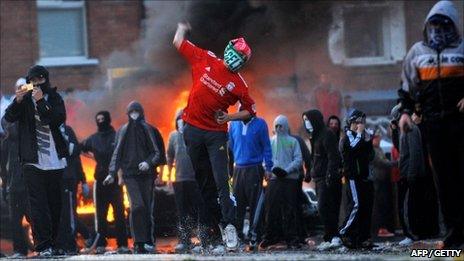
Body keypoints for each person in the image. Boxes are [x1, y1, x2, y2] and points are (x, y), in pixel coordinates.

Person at [173, 22, 257, 251]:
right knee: (204, 184)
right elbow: (178, 42)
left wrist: (229, 118)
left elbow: (250, 110)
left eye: (241, 58)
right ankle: (215, 231)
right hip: (191, 130)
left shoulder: (239, 84)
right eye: (235, 55)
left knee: (222, 180)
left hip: (215, 135)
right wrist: (182, 26)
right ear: (228, 50)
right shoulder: (206, 59)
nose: (235, 61)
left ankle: (230, 226)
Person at [397, 0, 463, 248]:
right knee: (444, 182)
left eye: (443, 24)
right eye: (434, 25)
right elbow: (407, 88)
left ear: (453, 25)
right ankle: (455, 238)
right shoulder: (417, 53)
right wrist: (404, 113)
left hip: (460, 123)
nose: (438, 29)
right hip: (433, 126)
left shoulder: (462, 48)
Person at [3, 65, 68, 257]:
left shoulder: (55, 98)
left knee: (55, 205)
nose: (37, 83)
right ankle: (43, 246)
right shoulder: (24, 102)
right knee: (37, 206)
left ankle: (54, 242)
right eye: (33, 80)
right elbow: (8, 117)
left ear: (46, 79)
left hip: (55, 161)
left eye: (40, 79)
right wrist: (18, 100)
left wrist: (41, 102)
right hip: (32, 161)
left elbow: (55, 119)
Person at [105, 101, 162, 254]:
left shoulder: (149, 129)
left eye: (137, 111)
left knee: (147, 209)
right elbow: (117, 153)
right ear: (128, 114)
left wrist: (148, 163)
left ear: (141, 112)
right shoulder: (122, 131)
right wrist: (112, 173)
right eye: (132, 112)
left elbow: (157, 153)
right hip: (130, 176)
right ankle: (139, 242)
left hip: (147, 175)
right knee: (137, 206)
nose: (134, 114)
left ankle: (148, 241)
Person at [80, 111, 129, 254]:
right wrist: (94, 158)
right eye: (98, 119)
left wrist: (120, 176)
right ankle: (101, 244)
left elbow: (122, 155)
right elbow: (81, 148)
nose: (101, 121)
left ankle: (122, 244)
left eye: (103, 119)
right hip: (100, 180)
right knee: (100, 214)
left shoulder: (116, 136)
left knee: (119, 213)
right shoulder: (94, 139)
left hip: (115, 180)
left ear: (108, 119)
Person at [228, 106, 273, 250]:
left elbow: (266, 146)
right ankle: (238, 237)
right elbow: (230, 146)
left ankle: (254, 237)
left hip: (254, 168)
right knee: (237, 204)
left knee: (255, 204)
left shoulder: (260, 124)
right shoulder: (233, 124)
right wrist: (229, 168)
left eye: (243, 110)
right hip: (238, 168)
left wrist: (268, 168)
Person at [259, 115, 302, 250]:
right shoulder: (270, 142)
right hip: (274, 180)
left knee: (290, 210)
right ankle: (270, 237)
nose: (278, 128)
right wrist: (272, 170)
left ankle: (292, 239)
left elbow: (298, 159)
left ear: (286, 126)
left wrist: (286, 171)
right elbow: (265, 159)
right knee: (271, 210)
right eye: (276, 126)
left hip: (289, 180)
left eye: (281, 125)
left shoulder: (293, 142)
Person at [302, 110, 342, 250]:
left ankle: (335, 237)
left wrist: (330, 175)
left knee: (327, 208)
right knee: (323, 209)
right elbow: (314, 157)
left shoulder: (327, 134)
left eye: (308, 119)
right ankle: (329, 237)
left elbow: (333, 156)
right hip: (319, 178)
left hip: (327, 178)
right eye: (304, 120)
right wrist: (308, 173)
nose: (306, 122)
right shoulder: (315, 136)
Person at [0, 78, 32, 258]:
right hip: (14, 185)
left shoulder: (30, 112)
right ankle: (19, 250)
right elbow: (3, 167)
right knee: (15, 220)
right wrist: (5, 185)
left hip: (28, 182)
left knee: (33, 217)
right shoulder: (6, 144)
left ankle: (43, 246)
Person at [167, 109, 207, 253]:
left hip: (195, 180)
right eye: (178, 119)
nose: (181, 122)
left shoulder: (196, 135)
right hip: (179, 180)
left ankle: (204, 238)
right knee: (182, 212)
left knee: (200, 209)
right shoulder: (173, 136)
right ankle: (184, 241)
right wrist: (168, 178)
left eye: (183, 119)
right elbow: (170, 157)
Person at [339, 109, 375, 249]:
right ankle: (344, 231)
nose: (359, 125)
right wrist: (360, 134)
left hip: (364, 177)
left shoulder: (361, 137)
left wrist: (368, 141)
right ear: (350, 122)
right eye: (356, 122)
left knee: (365, 207)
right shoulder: (346, 138)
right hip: (352, 177)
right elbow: (352, 150)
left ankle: (361, 237)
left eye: (361, 122)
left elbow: (369, 155)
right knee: (356, 204)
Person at [55, 124, 91, 255]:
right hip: (55, 179)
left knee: (69, 213)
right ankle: (62, 244)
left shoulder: (68, 131)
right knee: (60, 214)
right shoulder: (47, 129)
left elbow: (76, 156)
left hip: (68, 178)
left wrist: (83, 180)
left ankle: (71, 244)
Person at [371, 130, 396, 238]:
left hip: (382, 179)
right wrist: (395, 163)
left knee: (383, 204)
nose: (379, 139)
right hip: (376, 179)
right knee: (378, 205)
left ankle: (382, 228)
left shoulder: (379, 149)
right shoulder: (373, 150)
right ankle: (379, 229)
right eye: (377, 137)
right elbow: (381, 162)